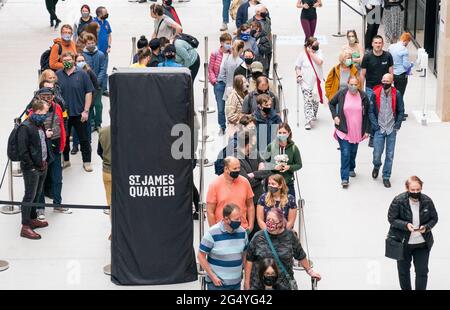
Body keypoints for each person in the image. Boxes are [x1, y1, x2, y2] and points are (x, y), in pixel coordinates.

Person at [245, 208, 321, 290]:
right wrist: (247, 282)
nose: (270, 223)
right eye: (268, 220)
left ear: (281, 222)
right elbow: (249, 260)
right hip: (259, 284)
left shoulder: (290, 236)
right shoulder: (258, 237)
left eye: (273, 221)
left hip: (283, 285)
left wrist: (310, 271)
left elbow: (300, 255)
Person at [387, 176, 438, 290]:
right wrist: (406, 225)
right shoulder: (398, 201)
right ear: (407, 188)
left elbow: (434, 218)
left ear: (421, 188)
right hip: (403, 243)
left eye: (418, 190)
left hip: (422, 244)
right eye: (413, 190)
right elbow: (392, 219)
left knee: (422, 271)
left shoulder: (427, 201)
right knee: (403, 272)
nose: (415, 192)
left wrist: (426, 227)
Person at [18, 99, 53, 240]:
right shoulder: (25, 127)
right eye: (45, 112)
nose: (46, 115)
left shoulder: (40, 124)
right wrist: (32, 167)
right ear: (38, 111)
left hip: (42, 165)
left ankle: (32, 218)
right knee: (29, 195)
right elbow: (23, 152)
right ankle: (25, 226)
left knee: (37, 194)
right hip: (32, 169)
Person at [32, 88, 68, 219]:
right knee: (41, 180)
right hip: (42, 151)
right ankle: (40, 208)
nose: (47, 98)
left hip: (56, 148)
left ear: (53, 96)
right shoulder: (34, 110)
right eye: (44, 96)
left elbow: (62, 126)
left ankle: (57, 204)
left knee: (57, 178)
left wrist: (63, 144)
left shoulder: (58, 107)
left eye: (49, 96)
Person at [329, 76, 371, 188]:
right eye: (351, 84)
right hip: (343, 129)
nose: (353, 87)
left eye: (355, 84)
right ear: (347, 84)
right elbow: (331, 103)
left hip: (357, 131)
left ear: (359, 85)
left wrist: (367, 130)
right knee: (345, 153)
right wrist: (335, 116)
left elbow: (368, 114)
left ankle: (352, 167)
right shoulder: (342, 93)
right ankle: (344, 178)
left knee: (353, 152)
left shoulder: (363, 96)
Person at [56, 52, 95, 172]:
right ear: (62, 61)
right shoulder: (58, 75)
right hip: (64, 115)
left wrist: (86, 111)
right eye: (64, 60)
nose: (67, 61)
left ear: (73, 60)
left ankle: (87, 162)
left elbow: (88, 92)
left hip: (79, 114)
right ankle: (66, 161)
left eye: (69, 59)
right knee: (65, 139)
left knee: (84, 139)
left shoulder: (82, 74)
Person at [198, 204, 248, 290]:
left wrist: (246, 278)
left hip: (236, 284)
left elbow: (245, 256)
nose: (239, 221)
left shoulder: (243, 233)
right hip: (217, 285)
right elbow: (200, 256)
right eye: (236, 219)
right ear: (226, 219)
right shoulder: (212, 233)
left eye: (240, 218)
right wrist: (213, 277)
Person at [369, 73, 404, 188]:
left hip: (391, 129)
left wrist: (397, 125)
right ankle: (377, 166)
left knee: (390, 155)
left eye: (387, 81)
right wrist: (375, 126)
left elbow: (401, 110)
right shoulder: (375, 93)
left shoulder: (396, 94)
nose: (385, 83)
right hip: (379, 128)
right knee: (377, 153)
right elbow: (370, 111)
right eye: (383, 81)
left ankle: (386, 176)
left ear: (392, 82)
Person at [206, 156, 255, 233]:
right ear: (226, 169)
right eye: (235, 169)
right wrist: (214, 231)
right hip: (222, 230)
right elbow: (210, 211)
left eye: (239, 168)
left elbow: (250, 205)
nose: (238, 171)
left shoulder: (244, 182)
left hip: (242, 229)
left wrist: (251, 226)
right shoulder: (215, 185)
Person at [361, 35, 394, 146]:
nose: (378, 45)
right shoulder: (367, 57)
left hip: (384, 89)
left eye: (380, 43)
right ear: (372, 44)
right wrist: (360, 90)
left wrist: (390, 87)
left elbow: (391, 73)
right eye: (376, 43)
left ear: (382, 44)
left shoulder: (388, 56)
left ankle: (380, 133)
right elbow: (362, 74)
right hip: (370, 88)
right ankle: (372, 135)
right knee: (371, 111)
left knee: (381, 111)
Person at [264, 123, 302, 198]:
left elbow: (299, 164)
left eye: (284, 133)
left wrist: (289, 167)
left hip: (288, 183)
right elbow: (264, 163)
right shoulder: (270, 147)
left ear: (289, 133)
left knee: (290, 205)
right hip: (273, 183)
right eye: (280, 132)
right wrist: (274, 167)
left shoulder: (294, 148)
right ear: (276, 133)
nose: (282, 135)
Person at [295, 36, 324, 130]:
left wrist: (311, 53)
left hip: (316, 82)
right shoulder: (302, 54)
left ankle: (313, 114)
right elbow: (297, 67)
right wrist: (298, 75)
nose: (317, 45)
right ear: (309, 46)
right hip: (305, 82)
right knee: (307, 101)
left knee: (315, 100)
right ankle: (308, 120)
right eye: (315, 44)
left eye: (317, 43)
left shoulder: (319, 53)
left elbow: (319, 62)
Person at [217, 40, 245, 134]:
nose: (232, 49)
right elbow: (223, 73)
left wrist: (229, 84)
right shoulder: (235, 60)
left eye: (234, 48)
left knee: (230, 109)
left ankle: (227, 127)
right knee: (231, 109)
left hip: (231, 89)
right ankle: (227, 127)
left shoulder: (234, 60)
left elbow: (223, 74)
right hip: (232, 89)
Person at [209, 33, 233, 135]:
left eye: (230, 43)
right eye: (227, 43)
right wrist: (214, 81)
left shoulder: (233, 53)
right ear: (222, 43)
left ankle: (231, 126)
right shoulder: (215, 53)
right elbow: (210, 69)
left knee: (232, 106)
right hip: (219, 84)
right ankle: (222, 126)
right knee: (220, 108)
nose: (229, 45)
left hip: (230, 84)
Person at [83, 33, 107, 132]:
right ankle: (91, 122)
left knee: (98, 104)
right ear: (85, 44)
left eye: (92, 43)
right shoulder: (82, 55)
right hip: (87, 86)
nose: (91, 45)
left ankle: (98, 123)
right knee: (90, 105)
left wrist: (97, 81)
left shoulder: (101, 54)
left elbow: (103, 69)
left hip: (98, 85)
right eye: (89, 43)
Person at [389, 32, 412, 119]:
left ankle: (398, 112)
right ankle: (399, 114)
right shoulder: (404, 50)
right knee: (400, 94)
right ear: (406, 41)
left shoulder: (391, 47)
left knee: (394, 93)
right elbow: (406, 65)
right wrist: (410, 65)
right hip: (401, 74)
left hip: (393, 73)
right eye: (408, 42)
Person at [94, 6, 112, 97]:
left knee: (104, 70)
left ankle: (104, 89)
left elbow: (109, 35)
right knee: (96, 70)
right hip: (96, 53)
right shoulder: (94, 23)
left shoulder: (106, 22)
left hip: (105, 52)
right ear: (100, 14)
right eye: (105, 12)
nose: (107, 13)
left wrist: (109, 46)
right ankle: (96, 87)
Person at [98, 125, 112, 225]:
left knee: (111, 203)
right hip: (122, 171)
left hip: (107, 171)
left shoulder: (102, 131)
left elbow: (99, 151)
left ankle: (113, 230)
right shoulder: (127, 130)